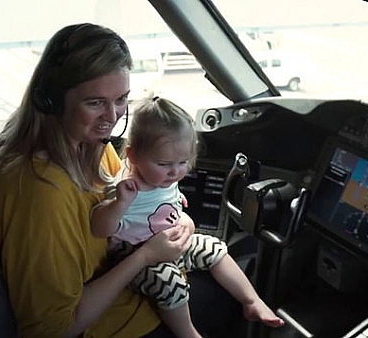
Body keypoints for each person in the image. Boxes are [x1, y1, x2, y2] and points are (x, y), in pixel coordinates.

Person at [0, 23, 241, 338]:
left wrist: (182, 224)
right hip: (102, 326)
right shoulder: (41, 191)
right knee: (226, 295)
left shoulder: (91, 147)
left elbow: (142, 204)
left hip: (127, 287)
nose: (112, 117)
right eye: (95, 102)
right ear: (52, 101)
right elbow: (52, 330)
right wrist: (146, 256)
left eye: (121, 99)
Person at [90, 97, 285, 338]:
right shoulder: (126, 188)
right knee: (169, 281)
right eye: (163, 163)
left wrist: (181, 214)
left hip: (170, 242)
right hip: (133, 256)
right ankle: (188, 333)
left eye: (183, 162)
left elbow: (168, 200)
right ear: (132, 156)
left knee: (215, 248)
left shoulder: (162, 177)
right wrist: (119, 206)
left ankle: (251, 300)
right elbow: (100, 228)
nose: (175, 172)